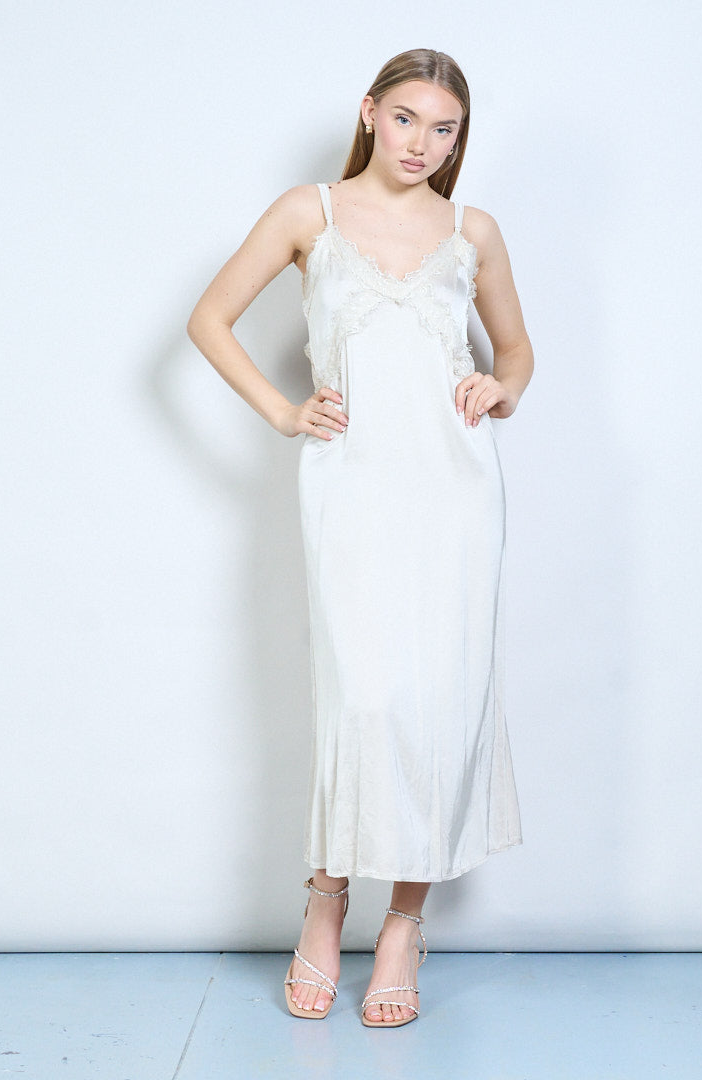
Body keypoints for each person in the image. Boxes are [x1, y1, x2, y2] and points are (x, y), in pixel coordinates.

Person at [187, 48, 533, 1027]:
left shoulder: (472, 230)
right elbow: (209, 319)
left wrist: (500, 386)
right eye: (408, 119)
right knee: (365, 699)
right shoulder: (310, 213)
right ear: (371, 113)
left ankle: (402, 927)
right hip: (352, 487)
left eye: (444, 129)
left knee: (440, 701)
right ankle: (327, 896)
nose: (423, 143)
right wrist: (283, 411)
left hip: (458, 490)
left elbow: (517, 351)